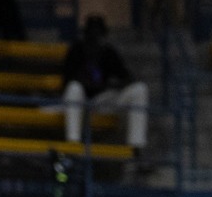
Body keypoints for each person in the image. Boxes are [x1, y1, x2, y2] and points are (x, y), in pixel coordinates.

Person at [61, 15, 148, 151]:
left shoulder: (108, 52)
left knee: (139, 89)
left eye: (98, 33)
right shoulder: (76, 50)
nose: (94, 36)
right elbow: (67, 82)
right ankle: (73, 146)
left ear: (103, 35)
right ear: (85, 34)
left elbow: (127, 77)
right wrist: (86, 81)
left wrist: (112, 85)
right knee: (74, 89)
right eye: (91, 32)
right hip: (80, 102)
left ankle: (136, 148)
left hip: (102, 101)